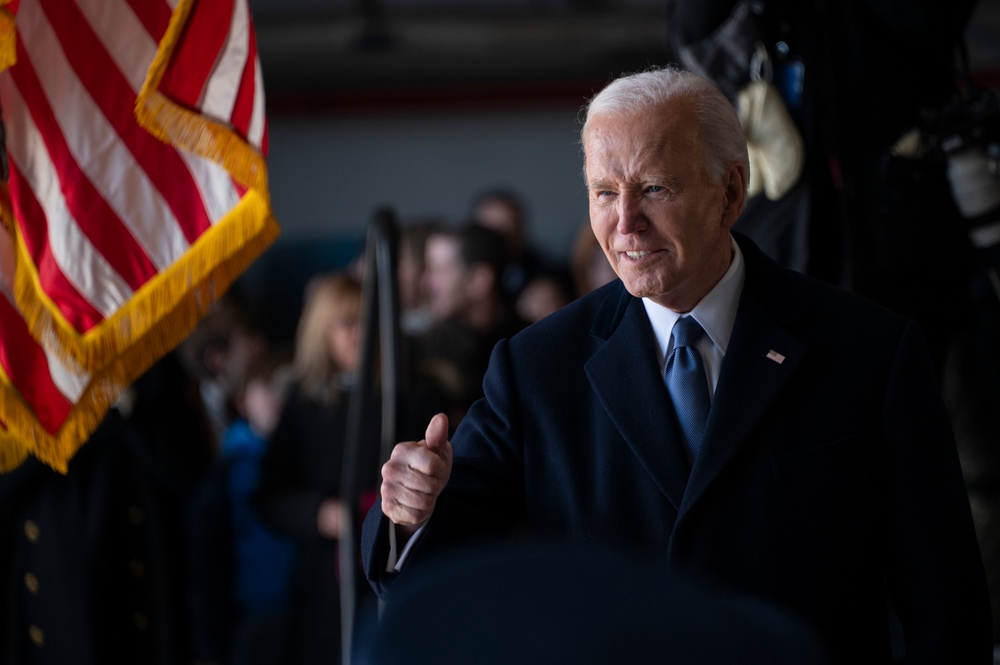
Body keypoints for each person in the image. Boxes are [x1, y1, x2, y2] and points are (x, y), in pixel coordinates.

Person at [361, 66, 992, 663]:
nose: (625, 223)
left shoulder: (867, 353)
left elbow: (945, 601)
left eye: (655, 189)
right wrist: (408, 511)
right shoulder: (537, 368)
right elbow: (435, 566)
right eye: (604, 193)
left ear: (731, 192)